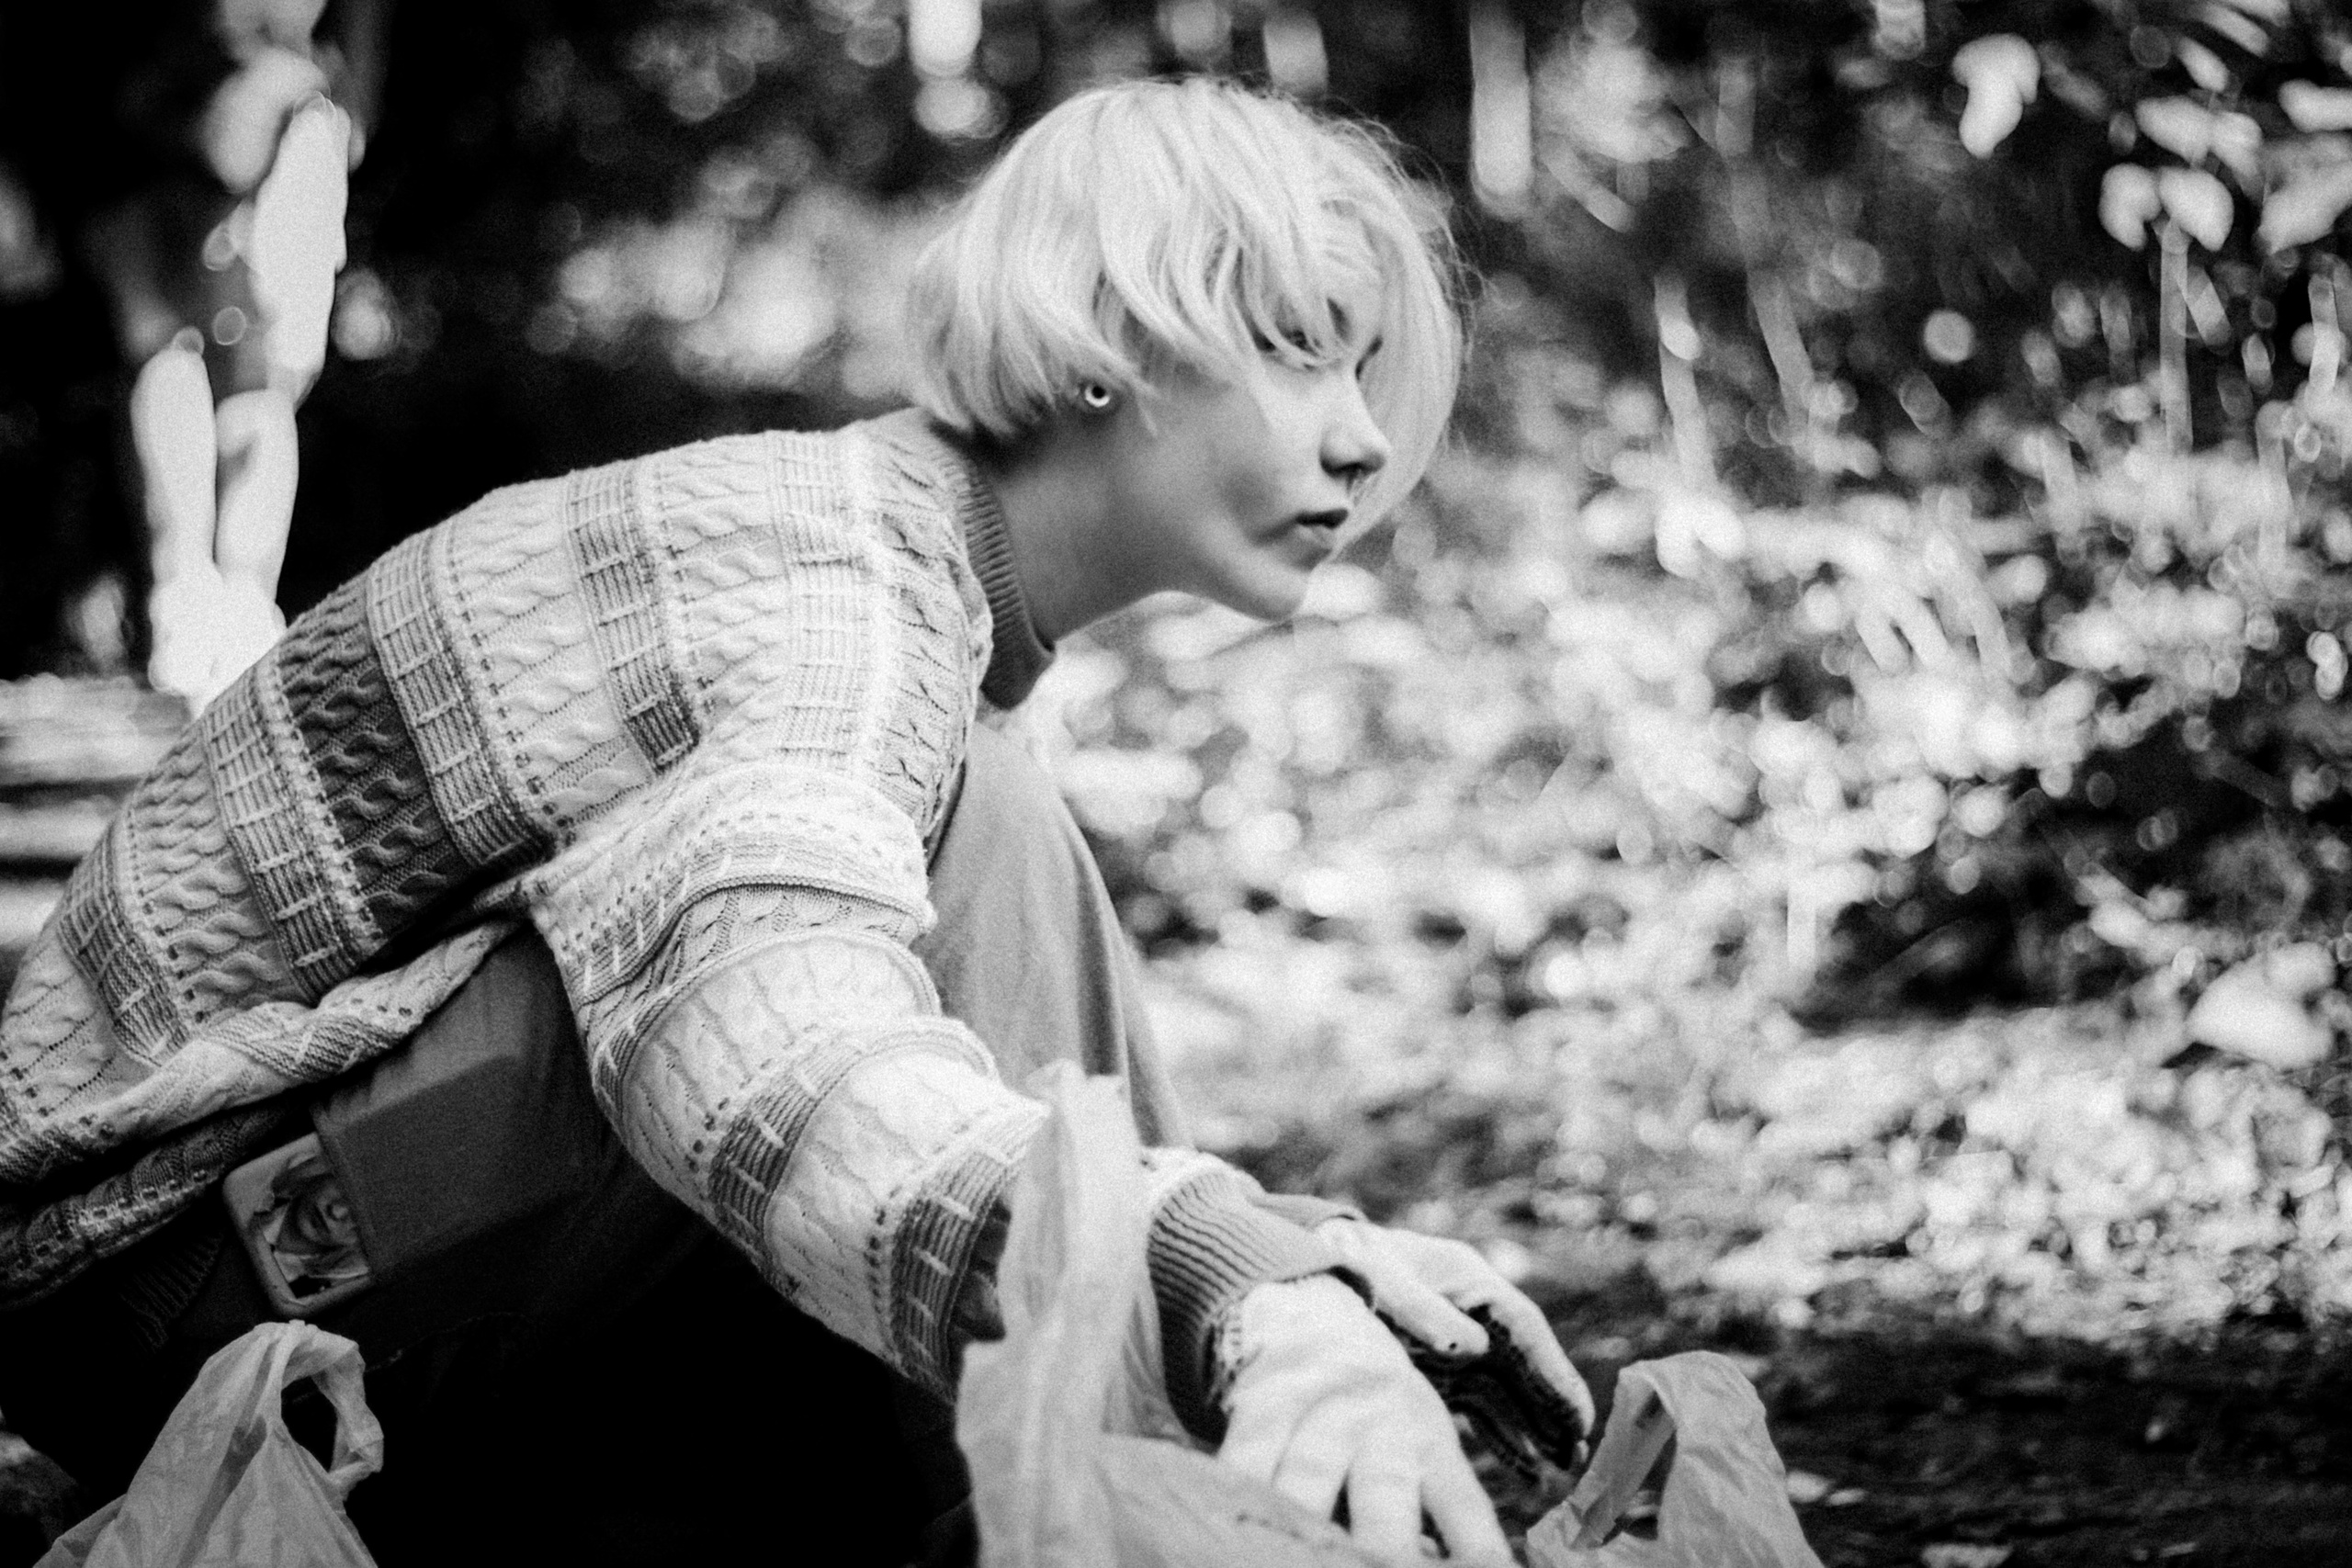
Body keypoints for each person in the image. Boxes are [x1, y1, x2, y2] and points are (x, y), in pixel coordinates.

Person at [0, 78, 1589, 1562]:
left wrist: (1295, 1261)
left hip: (329, 1238)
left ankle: (1140, 1459)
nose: (1364, 436)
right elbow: (769, 1050)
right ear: (1111, 336)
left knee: (975, 876)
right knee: (938, 879)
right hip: (162, 1285)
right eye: (1302, 349)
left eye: (1364, 370)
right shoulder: (840, 599)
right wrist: (1224, 1286)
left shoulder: (910, 593)